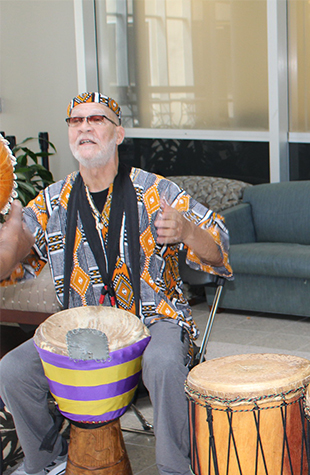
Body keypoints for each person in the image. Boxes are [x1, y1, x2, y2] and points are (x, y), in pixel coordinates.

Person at [0, 92, 233, 475]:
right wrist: (8, 234)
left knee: (161, 361)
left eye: (97, 119)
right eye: (76, 121)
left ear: (119, 133)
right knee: (13, 369)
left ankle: (176, 467)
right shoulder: (54, 201)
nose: (85, 127)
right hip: (84, 331)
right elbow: (14, 244)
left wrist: (188, 230)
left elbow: (219, 249)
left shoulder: (157, 191)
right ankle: (49, 463)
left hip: (154, 323)